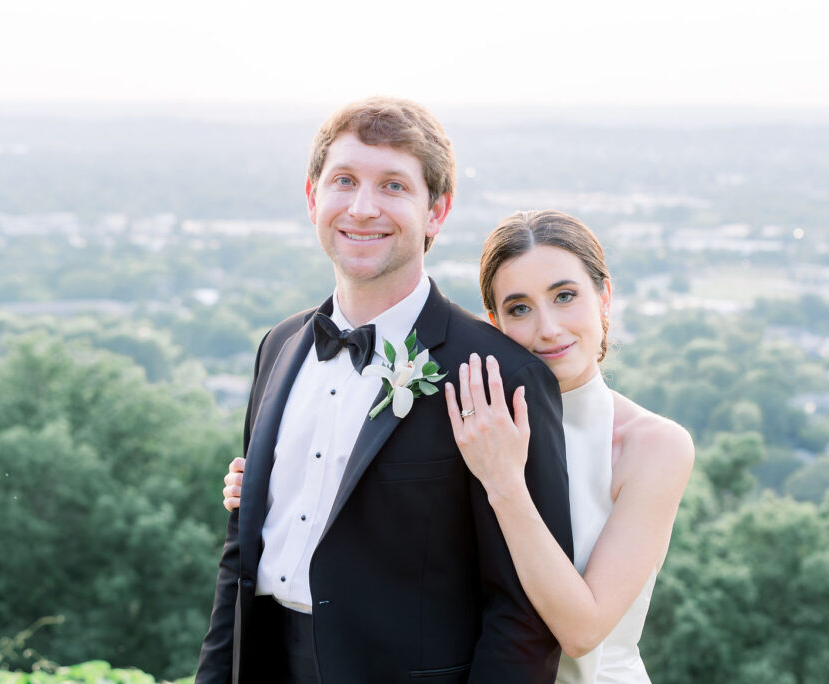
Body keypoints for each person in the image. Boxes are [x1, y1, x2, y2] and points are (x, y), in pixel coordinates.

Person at [225, 209, 694, 683]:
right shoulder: (469, 418)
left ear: (604, 297)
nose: (547, 327)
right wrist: (278, 486)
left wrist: (504, 482)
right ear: (494, 323)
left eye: (565, 296)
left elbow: (583, 631)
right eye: (519, 308)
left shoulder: (654, 446)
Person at [196, 98, 573, 684]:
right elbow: (242, 554)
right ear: (312, 196)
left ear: (436, 212)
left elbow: (524, 611)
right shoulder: (279, 345)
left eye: (393, 186)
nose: (363, 208)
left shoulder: (500, 374)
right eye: (343, 181)